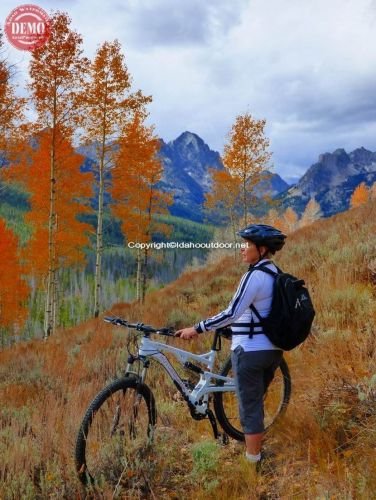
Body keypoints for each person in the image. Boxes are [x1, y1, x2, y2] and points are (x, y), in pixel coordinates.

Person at [175, 224, 286, 467]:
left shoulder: (253, 276)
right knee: (256, 400)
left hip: (250, 352)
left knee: (249, 410)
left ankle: (253, 465)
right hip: (272, 351)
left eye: (247, 245)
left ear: (262, 248)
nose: (242, 249)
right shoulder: (275, 273)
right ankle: (256, 449)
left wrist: (198, 327)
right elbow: (261, 312)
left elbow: (232, 312)